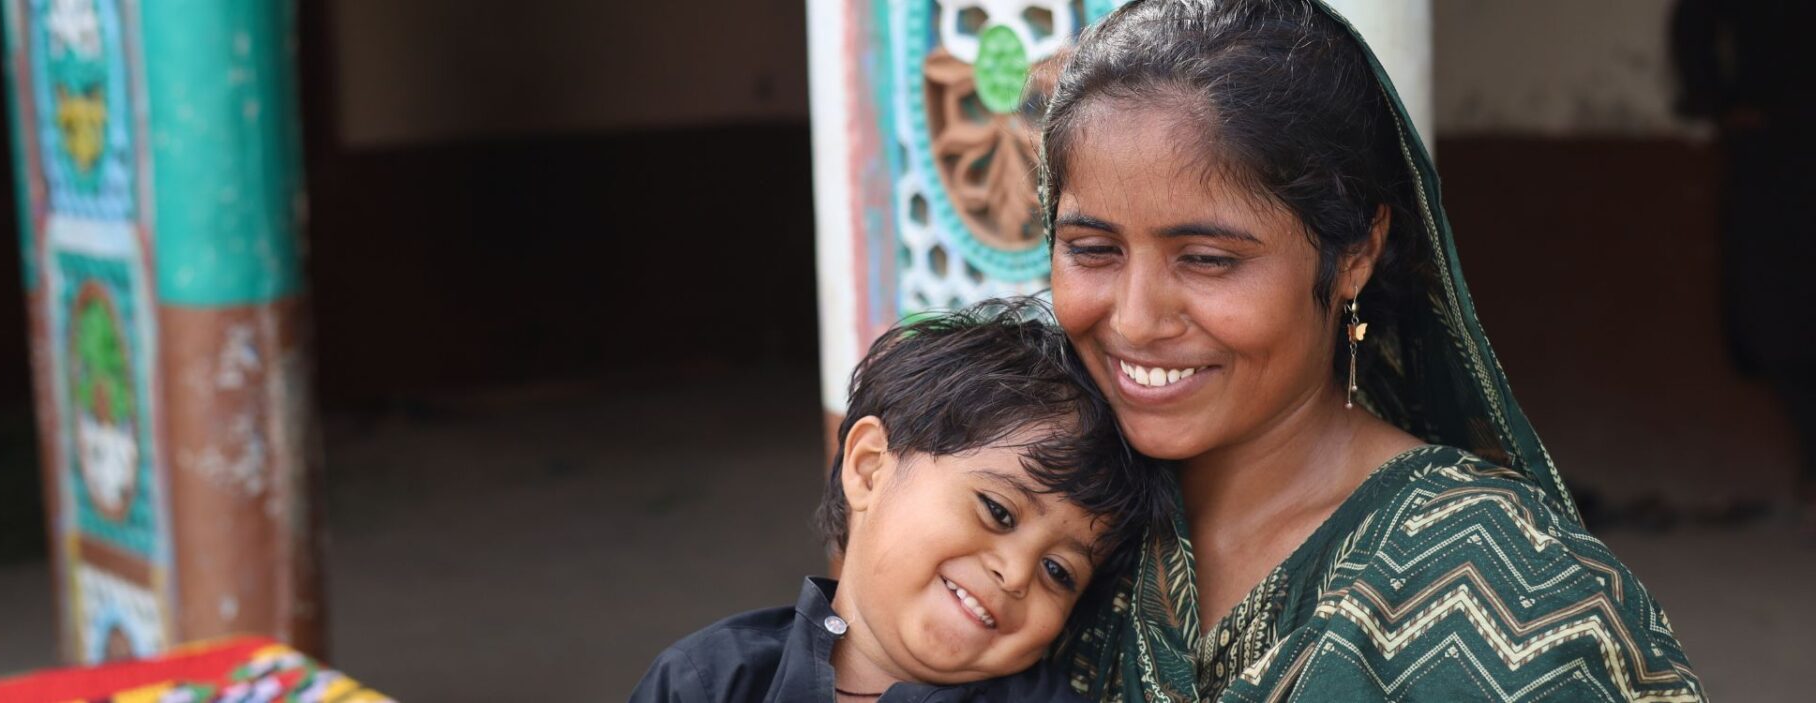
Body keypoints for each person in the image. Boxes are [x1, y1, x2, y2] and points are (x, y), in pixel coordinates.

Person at [1037, 1, 1707, 700]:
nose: (1137, 319)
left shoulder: (1495, 583)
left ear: (1356, 250)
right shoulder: (1036, 521)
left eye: (1206, 259)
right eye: (1092, 249)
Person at [630, 300, 1168, 702]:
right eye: (998, 512)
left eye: (1059, 571)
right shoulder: (710, 682)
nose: (1016, 573)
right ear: (868, 468)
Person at [1670, 0, 1816, 527]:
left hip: (1776, 138)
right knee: (1778, 311)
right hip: (1777, 144)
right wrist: (1721, 103)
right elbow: (1695, 22)